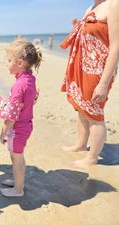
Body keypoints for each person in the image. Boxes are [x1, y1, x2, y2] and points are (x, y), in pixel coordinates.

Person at [60, 0, 119, 168]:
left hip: (98, 69)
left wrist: (103, 83)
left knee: (93, 112)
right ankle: (81, 144)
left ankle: (92, 158)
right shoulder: (90, 8)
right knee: (81, 107)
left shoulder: (114, 5)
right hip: (82, 65)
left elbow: (116, 47)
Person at [0, 38, 42, 197]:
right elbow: (32, 99)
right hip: (26, 124)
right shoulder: (29, 79)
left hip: (18, 128)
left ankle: (18, 190)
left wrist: (2, 132)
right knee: (17, 157)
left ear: (20, 63)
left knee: (17, 159)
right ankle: (18, 181)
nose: (6, 63)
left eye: (9, 60)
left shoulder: (19, 85)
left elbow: (12, 117)